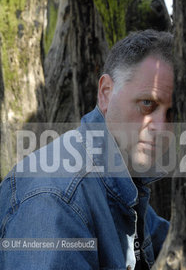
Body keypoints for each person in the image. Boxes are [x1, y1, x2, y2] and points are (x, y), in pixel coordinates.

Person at [0, 29, 173, 269]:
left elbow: (173, 245)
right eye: (147, 103)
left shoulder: (120, 180)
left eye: (172, 112)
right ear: (105, 94)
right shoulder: (55, 200)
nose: (162, 127)